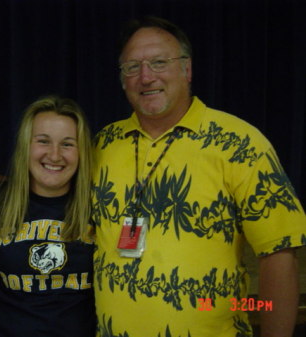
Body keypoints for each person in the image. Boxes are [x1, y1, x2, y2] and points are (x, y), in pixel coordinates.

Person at [91, 16, 306, 337]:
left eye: (159, 62)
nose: (146, 76)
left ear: (187, 70)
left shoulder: (239, 143)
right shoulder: (104, 143)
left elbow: (278, 255)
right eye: (132, 67)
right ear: (122, 79)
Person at [0, 95, 96, 337]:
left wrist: (204, 304)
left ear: (81, 152)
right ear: (26, 145)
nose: (55, 155)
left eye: (68, 144)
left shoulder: (100, 208)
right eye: (43, 141)